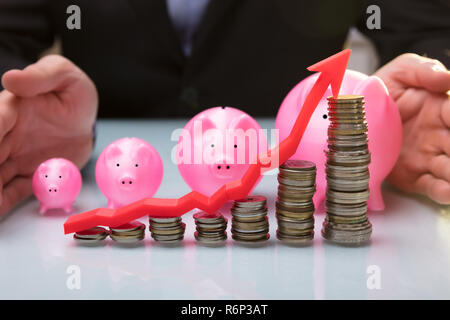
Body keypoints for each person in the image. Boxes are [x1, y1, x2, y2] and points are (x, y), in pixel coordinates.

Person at [0, 0, 449, 217]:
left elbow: (431, 31)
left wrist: (413, 105)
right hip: (94, 150)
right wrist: (18, 103)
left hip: (315, 164)